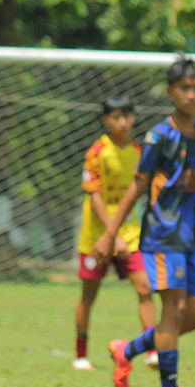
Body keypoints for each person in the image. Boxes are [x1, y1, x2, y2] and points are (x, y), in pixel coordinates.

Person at [94, 56, 195, 387]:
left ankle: (127, 349)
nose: (191, 94)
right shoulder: (159, 136)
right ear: (170, 92)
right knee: (172, 312)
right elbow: (137, 186)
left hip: (190, 238)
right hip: (163, 238)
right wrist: (110, 234)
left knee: (194, 316)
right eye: (184, 88)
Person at [72, 95, 157, 372]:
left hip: (129, 233)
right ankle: (80, 355)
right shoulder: (98, 152)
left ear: (133, 117)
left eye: (126, 116)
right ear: (106, 120)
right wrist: (111, 235)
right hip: (97, 235)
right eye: (115, 117)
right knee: (89, 293)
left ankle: (151, 351)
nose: (122, 122)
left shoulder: (137, 151)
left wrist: (122, 234)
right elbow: (95, 196)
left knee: (145, 288)